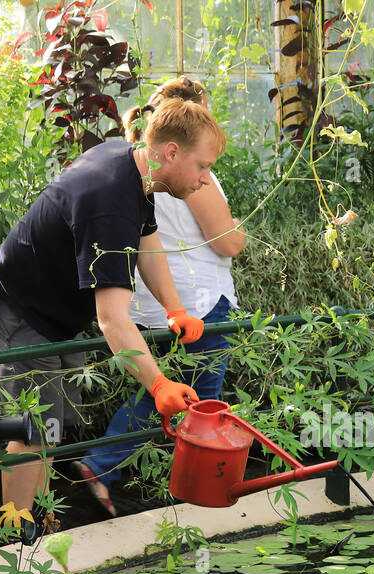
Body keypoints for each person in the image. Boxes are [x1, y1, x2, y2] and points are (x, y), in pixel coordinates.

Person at [0, 98, 218, 522]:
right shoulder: (111, 203)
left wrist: (175, 309)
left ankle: (32, 524)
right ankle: (13, 538)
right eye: (202, 167)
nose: (206, 180)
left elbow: (148, 241)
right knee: (33, 430)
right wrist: (158, 385)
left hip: (56, 310)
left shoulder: (132, 165)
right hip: (26, 310)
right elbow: (112, 318)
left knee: (50, 428)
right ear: (171, 153)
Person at [75, 77, 245, 516]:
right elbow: (226, 241)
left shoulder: (143, 167)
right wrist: (242, 231)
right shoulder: (191, 172)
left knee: (170, 392)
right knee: (200, 402)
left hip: (158, 304)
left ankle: (126, 472)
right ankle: (193, 492)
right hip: (200, 300)